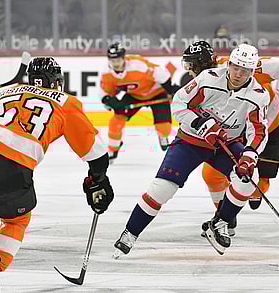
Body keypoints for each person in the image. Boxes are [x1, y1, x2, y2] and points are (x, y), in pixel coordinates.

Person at [113, 43, 269, 257]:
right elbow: (178, 104)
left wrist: (250, 156)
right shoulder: (209, 78)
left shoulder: (258, 95)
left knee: (249, 178)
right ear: (229, 63)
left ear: (252, 71)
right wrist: (202, 125)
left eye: (245, 70)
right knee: (162, 188)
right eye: (236, 67)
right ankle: (130, 233)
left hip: (225, 145)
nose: (239, 74)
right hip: (191, 142)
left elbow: (258, 131)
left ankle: (220, 223)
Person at [181, 41, 279, 236]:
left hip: (271, 123)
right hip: (238, 131)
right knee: (211, 174)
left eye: (191, 65)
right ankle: (224, 218)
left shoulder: (236, 65)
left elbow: (278, 67)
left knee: (258, 188)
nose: (188, 70)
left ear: (201, 65)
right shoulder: (201, 83)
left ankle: (244, 198)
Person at [0, 57, 114, 285]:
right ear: (56, 81)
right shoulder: (65, 102)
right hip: (12, 166)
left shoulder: (6, 91)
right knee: (15, 221)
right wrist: (98, 180)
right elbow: (95, 153)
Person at [101, 42, 180, 162]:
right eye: (112, 61)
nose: (115, 64)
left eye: (118, 60)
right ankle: (113, 148)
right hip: (134, 95)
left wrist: (169, 91)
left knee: (163, 127)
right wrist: (111, 103)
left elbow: (162, 73)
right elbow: (105, 93)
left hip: (156, 93)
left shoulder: (138, 65)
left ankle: (163, 136)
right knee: (116, 121)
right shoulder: (106, 73)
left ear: (124, 58)